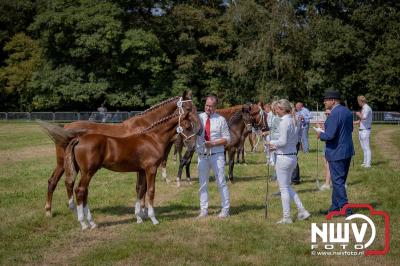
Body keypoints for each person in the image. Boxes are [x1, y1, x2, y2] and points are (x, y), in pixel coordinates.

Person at [268, 99, 310, 224]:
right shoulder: (293, 120)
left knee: (283, 189)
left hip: (284, 157)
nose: (275, 110)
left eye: (277, 108)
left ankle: (286, 217)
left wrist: (271, 143)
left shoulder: (284, 122)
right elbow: (295, 140)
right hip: (292, 156)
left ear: (283, 110)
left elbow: (282, 142)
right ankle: (302, 210)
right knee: (287, 186)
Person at [314, 91, 354, 215]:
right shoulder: (347, 111)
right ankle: (335, 208)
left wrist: (320, 134)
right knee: (339, 181)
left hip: (336, 151)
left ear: (333, 100)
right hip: (347, 150)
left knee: (337, 182)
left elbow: (329, 135)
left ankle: (347, 210)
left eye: (326, 100)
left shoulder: (334, 114)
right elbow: (349, 129)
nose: (324, 102)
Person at [196, 95, 231, 218]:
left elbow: (227, 139)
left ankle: (225, 210)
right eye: (206, 105)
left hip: (217, 155)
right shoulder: (198, 118)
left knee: (221, 182)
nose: (208, 108)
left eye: (210, 106)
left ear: (216, 107)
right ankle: (203, 210)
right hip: (202, 156)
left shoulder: (221, 119)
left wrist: (214, 143)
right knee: (202, 184)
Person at [354, 95, 372, 168]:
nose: (358, 103)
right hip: (361, 130)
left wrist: (358, 114)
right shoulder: (363, 108)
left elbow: (363, 118)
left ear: (361, 101)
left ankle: (368, 164)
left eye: (358, 101)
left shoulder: (367, 108)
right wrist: (353, 122)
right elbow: (361, 120)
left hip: (365, 130)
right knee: (363, 147)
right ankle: (365, 162)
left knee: (367, 147)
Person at [318, 109, 331, 191]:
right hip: (326, 145)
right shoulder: (328, 120)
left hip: (329, 145)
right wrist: (320, 128)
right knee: (327, 166)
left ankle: (327, 184)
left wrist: (320, 129)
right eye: (325, 113)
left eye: (328, 113)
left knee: (328, 166)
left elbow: (328, 134)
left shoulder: (332, 121)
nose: (326, 115)